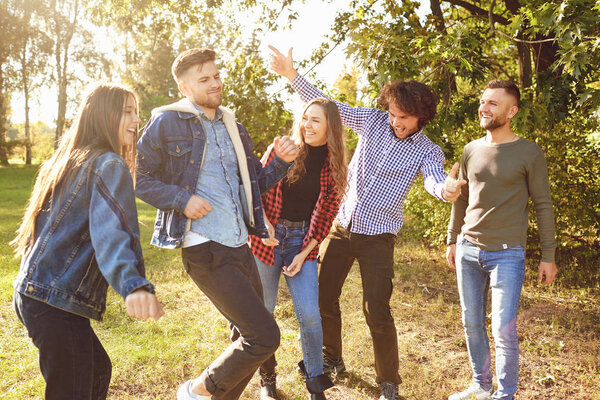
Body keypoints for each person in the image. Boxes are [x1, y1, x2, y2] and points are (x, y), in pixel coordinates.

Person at [268, 45, 465, 400]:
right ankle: (332, 360)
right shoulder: (372, 121)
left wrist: (446, 189)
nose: (396, 121)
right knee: (324, 299)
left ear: (421, 117)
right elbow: (328, 107)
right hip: (341, 229)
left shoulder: (428, 150)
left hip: (379, 238)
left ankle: (388, 382)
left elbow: (435, 180)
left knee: (377, 309)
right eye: (393, 113)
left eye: (404, 117)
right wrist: (291, 76)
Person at [135, 48, 299, 400]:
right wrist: (182, 200)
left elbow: (253, 182)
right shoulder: (167, 122)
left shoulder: (232, 125)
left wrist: (282, 163)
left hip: (240, 244)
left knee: (246, 336)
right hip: (203, 247)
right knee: (265, 336)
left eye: (216, 76)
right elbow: (138, 177)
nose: (215, 84)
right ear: (184, 86)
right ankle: (195, 391)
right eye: (204, 79)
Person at [11, 84, 164, 400]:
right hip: (55, 302)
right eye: (126, 112)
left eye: (137, 111)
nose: (137, 119)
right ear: (103, 115)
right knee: (73, 389)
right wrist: (133, 284)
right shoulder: (108, 164)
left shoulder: (69, 159)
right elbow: (111, 232)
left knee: (96, 370)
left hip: (33, 293)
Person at [445, 80, 558, 400]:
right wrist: (452, 239)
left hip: (507, 254)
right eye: (483, 101)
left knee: (502, 331)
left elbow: (543, 205)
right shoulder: (470, 149)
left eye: (493, 103)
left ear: (512, 111)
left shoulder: (529, 152)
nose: (484, 107)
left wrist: (548, 254)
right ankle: (480, 385)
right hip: (468, 249)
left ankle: (504, 395)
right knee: (471, 323)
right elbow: (461, 199)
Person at [249, 97, 347, 400]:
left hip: (302, 242)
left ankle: (315, 382)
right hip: (267, 238)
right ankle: (268, 378)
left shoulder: (335, 165)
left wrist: (304, 254)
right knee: (263, 314)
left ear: (331, 126)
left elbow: (327, 216)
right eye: (305, 118)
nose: (307, 125)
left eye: (316, 120)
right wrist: (263, 224)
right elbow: (256, 190)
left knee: (310, 314)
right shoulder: (284, 149)